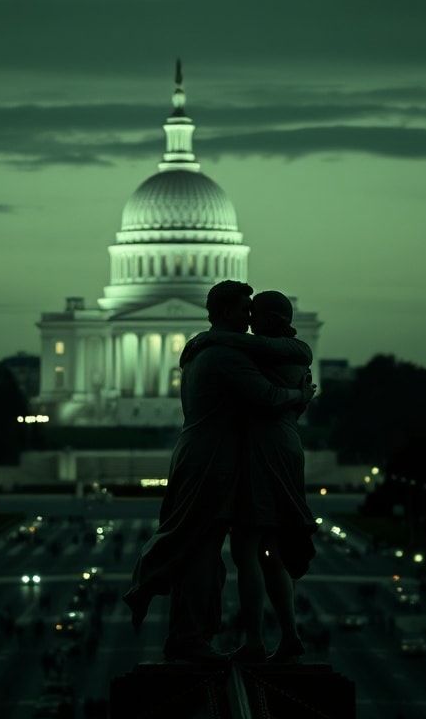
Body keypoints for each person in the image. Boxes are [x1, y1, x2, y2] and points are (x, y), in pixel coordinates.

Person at [122, 280, 315, 664]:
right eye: (245, 310)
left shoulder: (206, 349)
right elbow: (268, 397)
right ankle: (191, 637)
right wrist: (301, 396)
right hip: (212, 461)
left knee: (206, 550)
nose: (250, 317)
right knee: (202, 550)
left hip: (208, 455)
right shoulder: (225, 356)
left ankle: (195, 636)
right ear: (227, 312)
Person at [184, 290, 317, 664]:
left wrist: (208, 337)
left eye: (253, 312)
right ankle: (288, 636)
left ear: (268, 318)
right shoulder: (289, 350)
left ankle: (257, 640)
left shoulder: (251, 350)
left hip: (262, 449)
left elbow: (264, 394)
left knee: (247, 550)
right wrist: (300, 396)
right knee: (271, 551)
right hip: (285, 443)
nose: (247, 318)